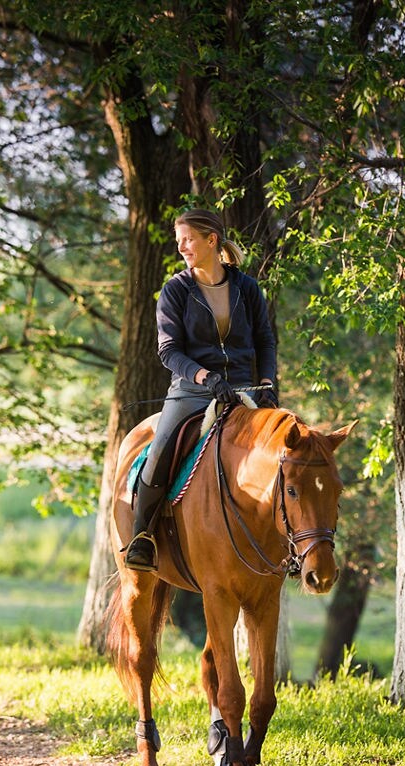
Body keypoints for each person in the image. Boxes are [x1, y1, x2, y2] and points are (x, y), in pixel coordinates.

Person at [123, 208, 279, 572]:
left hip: (245, 389)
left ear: (211, 240)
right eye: (179, 241)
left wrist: (268, 382)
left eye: (188, 239)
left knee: (287, 450)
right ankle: (142, 536)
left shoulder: (247, 288)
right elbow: (168, 351)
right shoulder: (175, 290)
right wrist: (205, 378)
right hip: (192, 390)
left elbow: (265, 341)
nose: (182, 247)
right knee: (160, 449)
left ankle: (285, 541)